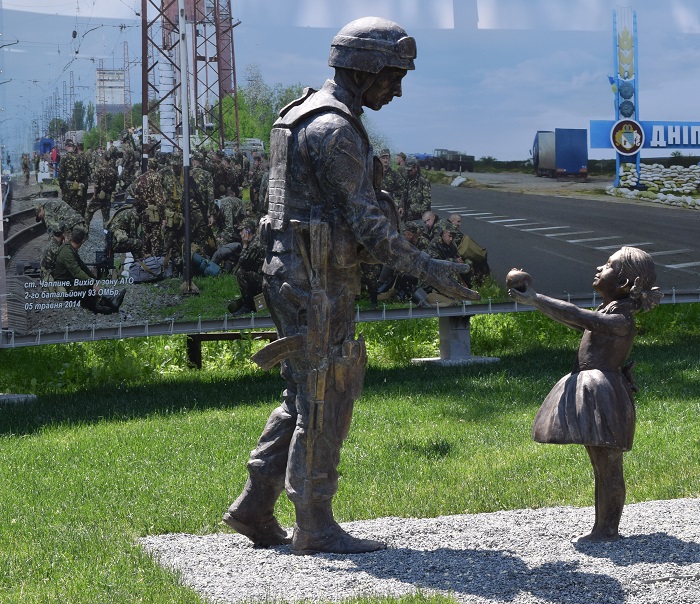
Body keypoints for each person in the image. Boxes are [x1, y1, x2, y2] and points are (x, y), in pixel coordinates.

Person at [223, 16, 479, 556]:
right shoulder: (333, 128)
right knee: (328, 392)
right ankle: (314, 524)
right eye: (393, 76)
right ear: (364, 71)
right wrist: (429, 269)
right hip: (316, 276)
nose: (398, 88)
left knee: (302, 390)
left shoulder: (298, 113)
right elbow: (368, 224)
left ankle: (254, 506)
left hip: (294, 270)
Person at [508, 247, 662, 542]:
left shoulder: (620, 322)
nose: (598, 268)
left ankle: (607, 528)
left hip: (604, 394)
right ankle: (602, 526)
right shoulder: (608, 313)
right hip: (596, 388)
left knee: (608, 464)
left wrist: (536, 299)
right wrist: (536, 302)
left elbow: (578, 316)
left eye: (607, 266)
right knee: (600, 463)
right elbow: (575, 319)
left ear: (624, 285)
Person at [53, 228, 126, 315]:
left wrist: (94, 281)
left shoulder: (69, 248)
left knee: (89, 285)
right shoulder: (67, 252)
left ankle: (109, 301)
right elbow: (77, 272)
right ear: (83, 240)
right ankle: (97, 307)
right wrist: (92, 284)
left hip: (69, 281)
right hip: (64, 286)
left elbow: (83, 266)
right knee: (87, 288)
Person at [57, 139, 90, 217]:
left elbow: (61, 176)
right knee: (79, 207)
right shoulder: (80, 157)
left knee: (67, 207)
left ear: (66, 147)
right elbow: (83, 173)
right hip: (78, 186)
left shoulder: (64, 158)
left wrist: (62, 187)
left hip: (67, 187)